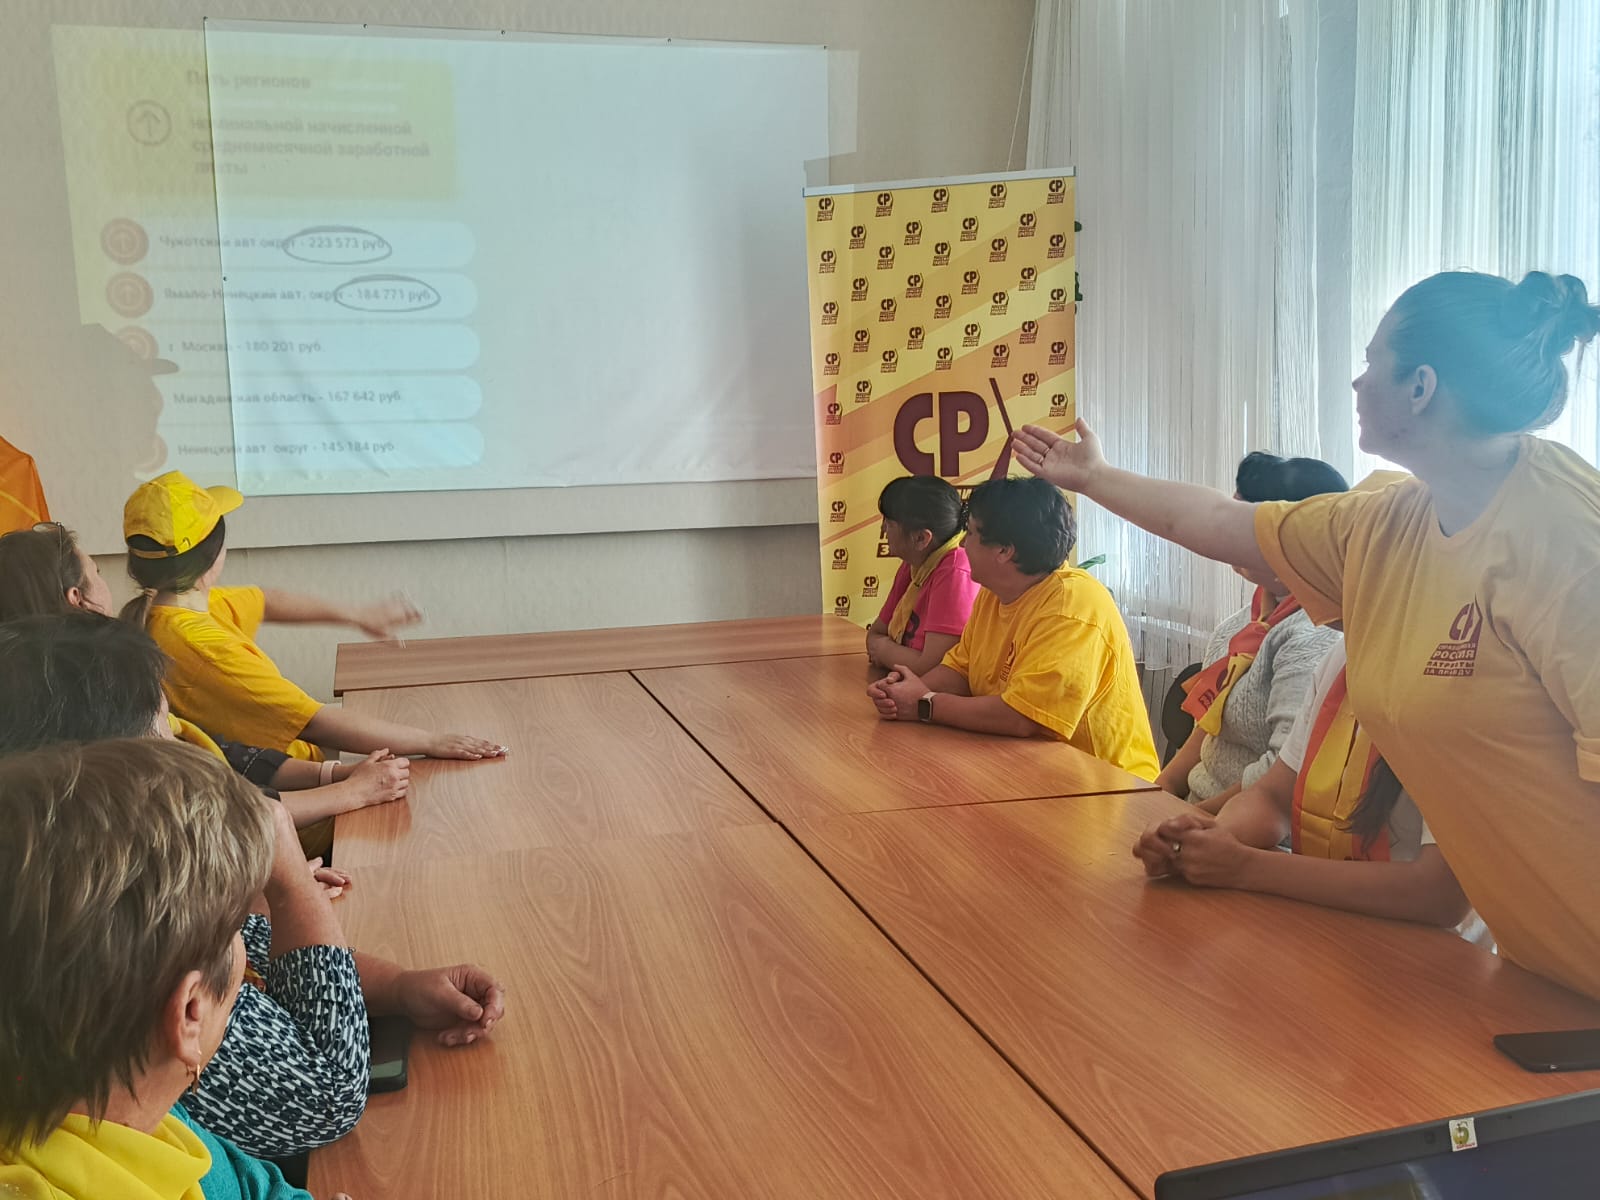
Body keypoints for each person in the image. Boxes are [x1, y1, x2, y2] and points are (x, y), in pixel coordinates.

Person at [1014, 269, 1600, 999]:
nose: (1356, 382)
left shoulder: (1567, 539)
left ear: (1421, 387)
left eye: (1371, 362)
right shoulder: (1391, 518)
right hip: (1546, 969)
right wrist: (1094, 478)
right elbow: (1225, 523)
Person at [0, 612, 508, 1159]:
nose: (183, 745)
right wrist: (288, 881)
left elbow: (264, 956)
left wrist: (400, 986)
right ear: (116, 777)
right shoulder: (123, 957)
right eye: (163, 727)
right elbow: (329, 1095)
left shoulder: (73, 888)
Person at [0, 738, 341, 1199]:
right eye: (239, 926)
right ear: (190, 1012)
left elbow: (258, 1188)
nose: (247, 936)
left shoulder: (134, 1108)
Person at [0, 522, 411, 841]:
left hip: (256, 831)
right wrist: (350, 791)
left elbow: (221, 756)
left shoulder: (68, 678)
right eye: (95, 570)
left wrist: (335, 778)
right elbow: (200, 811)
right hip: (246, 845)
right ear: (77, 597)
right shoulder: (108, 687)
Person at [120, 470, 505, 762]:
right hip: (303, 798)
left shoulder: (172, 610)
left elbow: (265, 600)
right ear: (212, 557)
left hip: (298, 775)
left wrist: (358, 615)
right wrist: (431, 741)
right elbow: (316, 723)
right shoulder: (203, 647)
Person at [1135, 642, 1486, 938]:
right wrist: (1205, 843)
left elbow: (1439, 893)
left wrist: (1245, 867)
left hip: (1428, 955)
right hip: (1323, 926)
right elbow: (1273, 796)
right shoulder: (1342, 654)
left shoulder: (1467, 671)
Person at [867, 476, 1159, 779]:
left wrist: (925, 704)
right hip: (1024, 768)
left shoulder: (1073, 606)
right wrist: (904, 691)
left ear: (1004, 551)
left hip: (1106, 787)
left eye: (971, 533)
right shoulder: (994, 592)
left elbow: (1023, 717)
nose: (963, 543)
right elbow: (959, 670)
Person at [1156, 452, 1347, 810]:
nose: (1225, 535)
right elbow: (1207, 728)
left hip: (1248, 828)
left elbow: (1279, 777)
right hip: (1196, 812)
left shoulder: (1317, 636)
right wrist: (1158, 792)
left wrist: (1188, 819)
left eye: (1241, 521)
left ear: (1290, 537)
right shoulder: (1245, 621)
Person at [865, 475, 980, 676]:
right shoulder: (913, 564)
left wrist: (884, 651)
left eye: (889, 523)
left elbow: (934, 667)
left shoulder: (955, 571)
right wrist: (893, 654)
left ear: (921, 538)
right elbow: (874, 634)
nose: (883, 529)